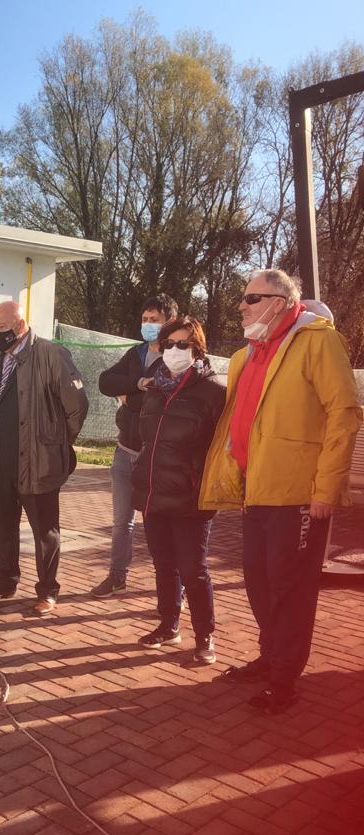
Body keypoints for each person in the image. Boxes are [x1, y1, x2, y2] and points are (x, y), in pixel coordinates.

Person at [199, 269, 362, 712]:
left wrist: (325, 488)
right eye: (243, 297)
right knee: (259, 583)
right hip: (256, 492)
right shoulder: (246, 355)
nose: (242, 305)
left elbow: (344, 414)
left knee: (290, 590)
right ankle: (270, 657)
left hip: (298, 496)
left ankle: (284, 679)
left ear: (280, 301)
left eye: (251, 298)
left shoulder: (318, 342)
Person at [0, 300, 88, 615]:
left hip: (38, 461)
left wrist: (56, 442)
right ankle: (5, 583)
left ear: (20, 325)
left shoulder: (51, 354)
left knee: (44, 531)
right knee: (4, 527)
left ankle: (47, 591)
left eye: (2, 327)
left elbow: (77, 405)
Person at [131, 317, 226, 663]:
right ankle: (169, 625)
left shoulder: (214, 391)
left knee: (193, 570)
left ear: (197, 349)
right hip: (154, 493)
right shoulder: (154, 388)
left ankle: (205, 635)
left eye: (183, 344)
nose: (174, 350)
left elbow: (223, 446)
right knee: (164, 565)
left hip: (191, 497)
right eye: (169, 344)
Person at [94, 293, 178, 598]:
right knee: (122, 523)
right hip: (125, 451)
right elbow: (105, 382)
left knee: (161, 526)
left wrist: (130, 396)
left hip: (156, 456)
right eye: (145, 319)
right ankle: (117, 577)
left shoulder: (177, 355)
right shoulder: (136, 353)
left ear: (170, 322)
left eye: (154, 320)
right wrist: (139, 384)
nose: (148, 324)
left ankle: (173, 590)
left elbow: (164, 399)